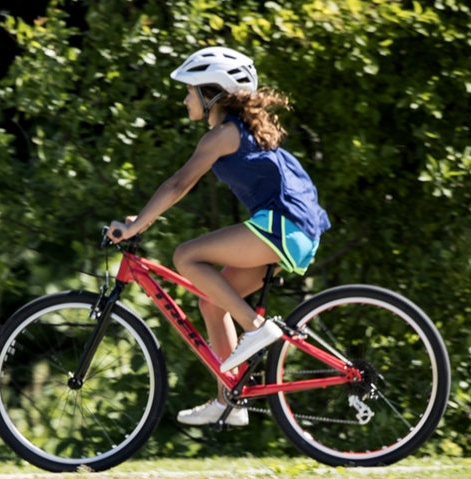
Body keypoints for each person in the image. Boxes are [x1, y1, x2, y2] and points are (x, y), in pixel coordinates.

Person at [107, 46, 331, 426]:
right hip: (293, 229)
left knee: (186, 256)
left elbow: (179, 184)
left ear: (211, 92)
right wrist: (141, 219)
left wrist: (134, 227)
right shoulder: (236, 131)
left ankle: (256, 328)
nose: (184, 99)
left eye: (189, 90)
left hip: (283, 225)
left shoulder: (223, 135)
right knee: (212, 303)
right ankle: (230, 402)